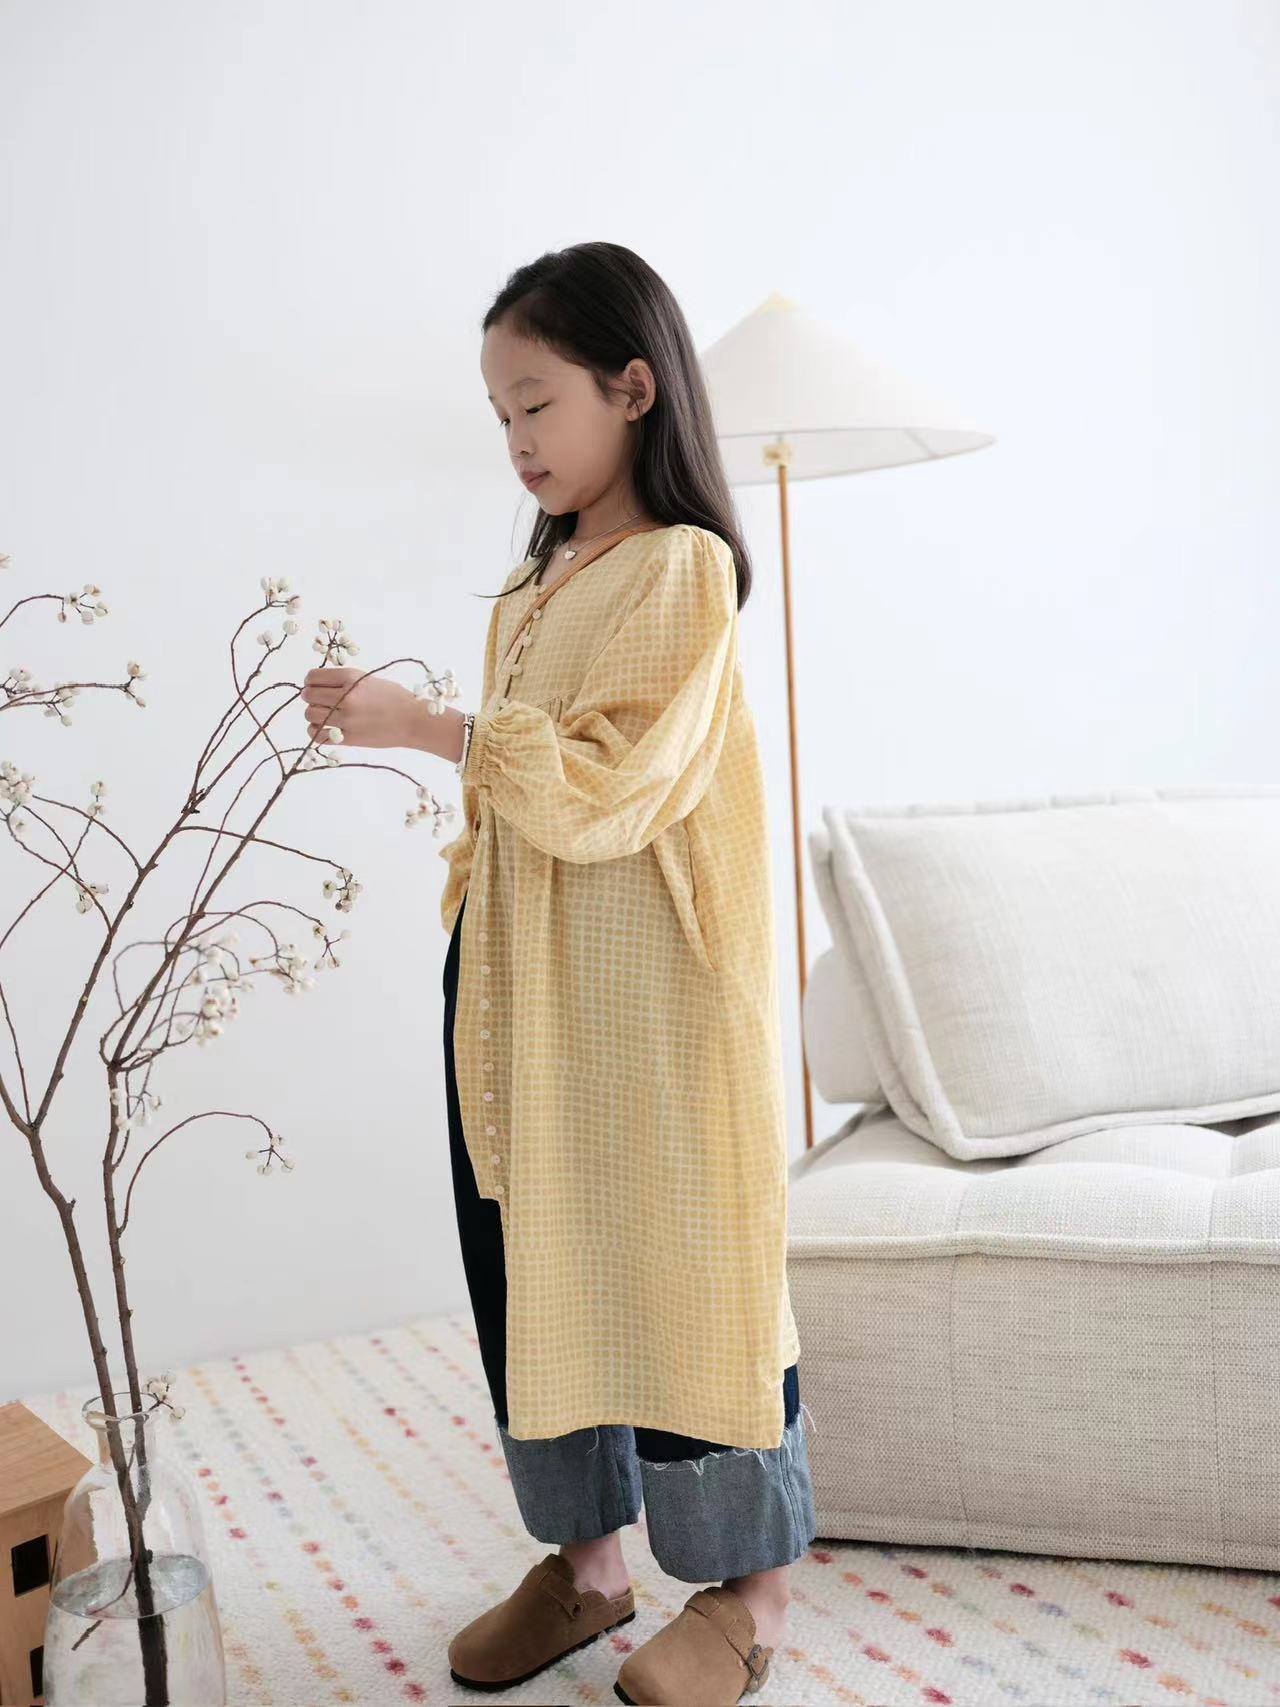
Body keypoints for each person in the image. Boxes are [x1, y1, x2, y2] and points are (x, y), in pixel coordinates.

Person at [302, 240, 817, 1706]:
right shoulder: (532, 583)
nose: (518, 440)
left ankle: (750, 1594)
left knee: (686, 1262)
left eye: (537, 403)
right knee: (528, 1258)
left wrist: (429, 726)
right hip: (516, 993)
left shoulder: (686, 569)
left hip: (653, 1002)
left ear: (633, 389)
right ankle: (589, 1567)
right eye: (501, 416)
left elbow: (611, 787)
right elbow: (518, 811)